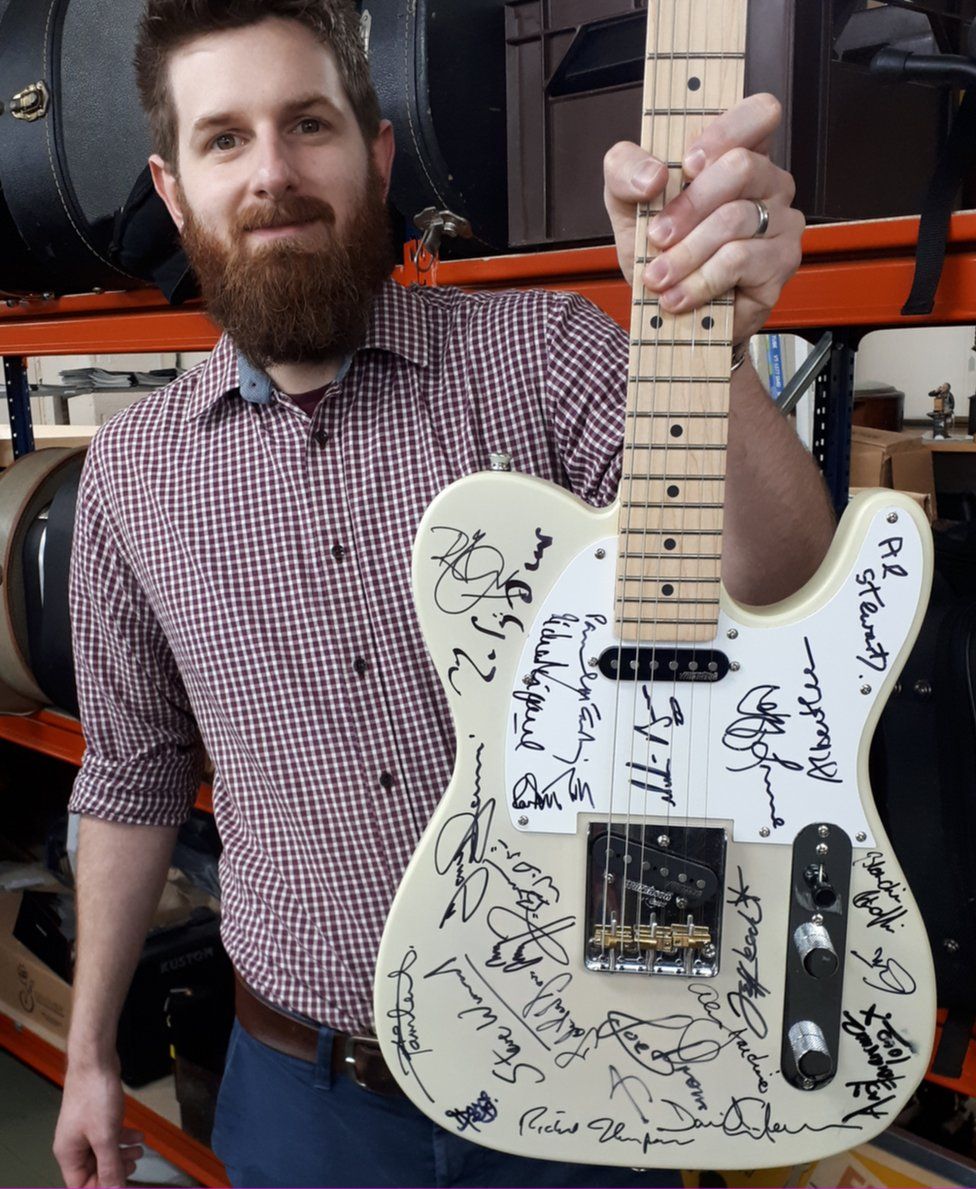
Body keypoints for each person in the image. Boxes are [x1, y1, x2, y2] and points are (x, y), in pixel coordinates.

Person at [52, 1, 835, 1186]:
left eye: (307, 123)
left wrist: (705, 333)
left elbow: (777, 583)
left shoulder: (551, 357)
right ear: (174, 189)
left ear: (374, 155)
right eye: (225, 139)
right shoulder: (129, 475)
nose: (271, 173)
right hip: (306, 1098)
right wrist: (88, 1048)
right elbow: (130, 772)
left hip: (584, 1079)